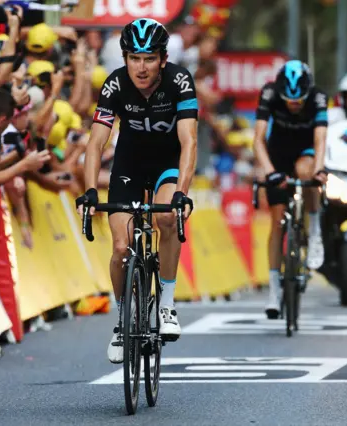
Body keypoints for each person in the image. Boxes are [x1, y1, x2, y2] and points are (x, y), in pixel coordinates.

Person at [75, 18, 199, 364]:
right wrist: (89, 190)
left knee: (168, 221)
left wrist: (182, 193)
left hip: (168, 163)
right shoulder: (114, 85)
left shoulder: (179, 81)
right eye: (133, 58)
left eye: (148, 59)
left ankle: (168, 305)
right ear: (125, 58)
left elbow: (189, 140)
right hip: (129, 165)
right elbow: (96, 143)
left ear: (162, 59)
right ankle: (122, 321)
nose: (140, 67)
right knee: (120, 246)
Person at [252, 60, 328, 319]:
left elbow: (320, 139)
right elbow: (258, 139)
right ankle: (274, 291)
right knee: (276, 223)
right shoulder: (270, 93)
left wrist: (319, 170)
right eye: (289, 101)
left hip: (305, 152)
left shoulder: (318, 97)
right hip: (278, 153)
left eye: (299, 101)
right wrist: (269, 171)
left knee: (306, 172)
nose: (294, 105)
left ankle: (315, 230)